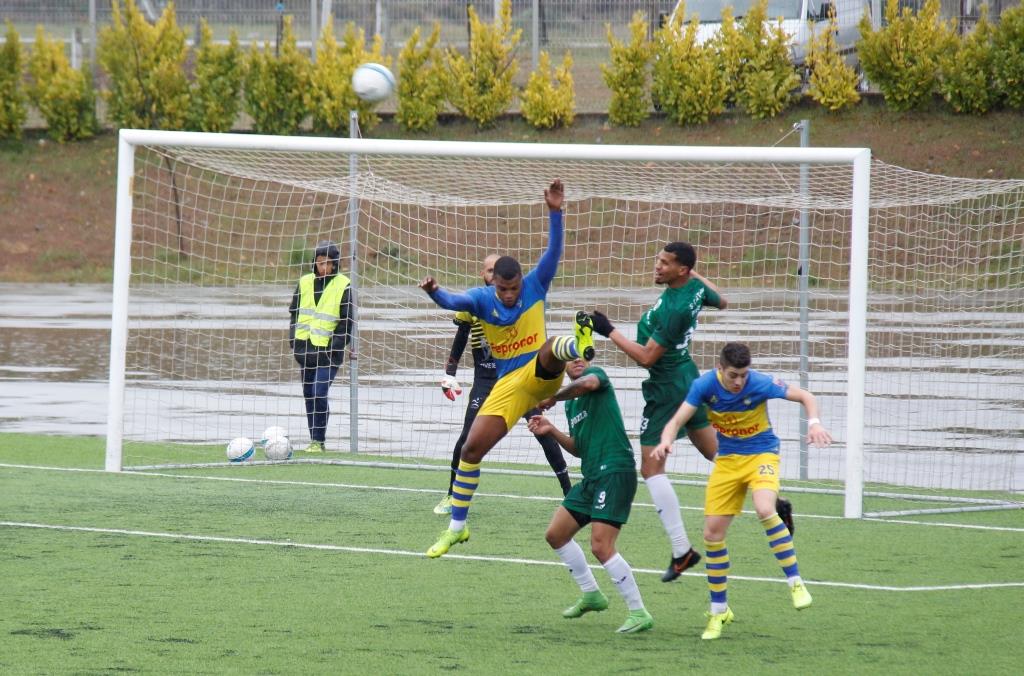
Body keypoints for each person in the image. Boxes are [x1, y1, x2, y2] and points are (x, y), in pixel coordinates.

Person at [418, 179, 595, 558]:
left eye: (514, 288)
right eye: (504, 289)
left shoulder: (536, 284)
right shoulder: (483, 299)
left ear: (519, 281)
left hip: (542, 373)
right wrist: (435, 292)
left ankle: (578, 341)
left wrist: (555, 211)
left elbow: (554, 250)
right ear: (494, 282)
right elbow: (453, 300)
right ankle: (457, 528)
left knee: (549, 349)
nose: (511, 295)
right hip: (509, 385)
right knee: (471, 448)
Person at [651, 342, 832, 640]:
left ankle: (795, 582)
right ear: (720, 369)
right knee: (712, 535)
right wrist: (666, 440)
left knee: (764, 509)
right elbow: (677, 420)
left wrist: (814, 423)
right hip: (727, 462)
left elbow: (805, 396)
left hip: (762, 454)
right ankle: (719, 611)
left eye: (743, 375)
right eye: (734, 375)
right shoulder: (704, 385)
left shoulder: (759, 383)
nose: (739, 382)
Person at [587, 242, 726, 582]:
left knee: (651, 467)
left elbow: (647, 357)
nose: (658, 266)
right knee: (722, 456)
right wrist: (693, 273)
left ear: (681, 269)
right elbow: (723, 301)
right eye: (659, 260)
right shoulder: (694, 288)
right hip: (687, 378)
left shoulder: (675, 308)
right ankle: (773, 497)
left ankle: (682, 550)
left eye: (666, 263)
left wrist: (608, 330)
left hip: (667, 389)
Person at [434, 253, 572, 515]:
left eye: (492, 270)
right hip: (485, 380)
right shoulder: (474, 302)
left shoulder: (519, 300)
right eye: (486, 271)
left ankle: (569, 491)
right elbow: (461, 335)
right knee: (467, 438)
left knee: (542, 432)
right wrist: (450, 373)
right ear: (486, 275)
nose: (489, 275)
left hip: (519, 379)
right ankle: (452, 495)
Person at [529, 358, 654, 634]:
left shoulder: (596, 378)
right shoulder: (573, 404)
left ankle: (638, 612)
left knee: (600, 545)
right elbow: (579, 448)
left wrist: (553, 397)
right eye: (569, 358)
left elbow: (586, 384)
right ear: (562, 367)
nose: (577, 361)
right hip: (592, 477)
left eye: (582, 356)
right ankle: (591, 594)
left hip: (615, 471)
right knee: (556, 534)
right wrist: (552, 430)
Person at [288, 240, 353, 453]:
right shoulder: (305, 282)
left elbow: (346, 322)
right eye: (319, 263)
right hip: (305, 350)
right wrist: (293, 341)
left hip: (328, 353)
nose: (323, 267)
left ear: (335, 264)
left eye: (327, 263)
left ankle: (319, 439)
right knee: (308, 393)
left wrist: (334, 347)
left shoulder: (344, 284)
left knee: (319, 391)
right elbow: (294, 313)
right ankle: (314, 441)